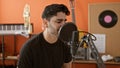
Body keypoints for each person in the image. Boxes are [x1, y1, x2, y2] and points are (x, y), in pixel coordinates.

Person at [17, 4, 72, 68]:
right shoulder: (29, 48)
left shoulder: (65, 45)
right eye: (59, 21)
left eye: (64, 21)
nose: (63, 25)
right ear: (45, 23)